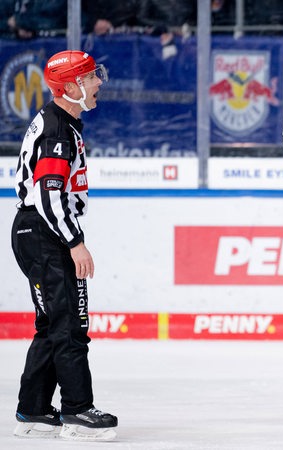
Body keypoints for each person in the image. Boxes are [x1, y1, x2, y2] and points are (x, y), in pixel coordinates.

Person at [11, 50, 118, 441]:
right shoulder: (57, 131)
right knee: (71, 323)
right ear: (70, 87)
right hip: (45, 234)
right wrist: (75, 243)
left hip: (38, 233)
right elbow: (47, 194)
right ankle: (77, 410)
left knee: (55, 324)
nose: (98, 83)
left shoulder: (62, 124)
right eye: (91, 77)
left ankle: (35, 410)